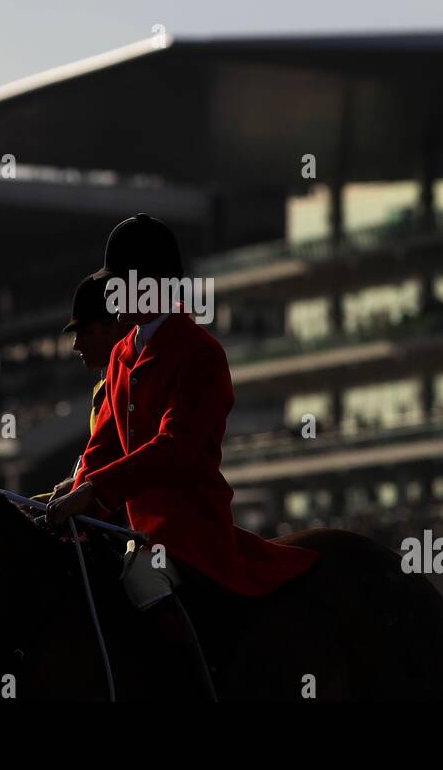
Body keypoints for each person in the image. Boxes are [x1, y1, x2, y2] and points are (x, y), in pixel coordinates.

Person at [47, 214, 320, 700]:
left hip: (190, 534)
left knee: (142, 584)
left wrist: (96, 489)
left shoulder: (200, 353)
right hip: (135, 533)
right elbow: (102, 447)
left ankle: (201, 692)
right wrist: (65, 491)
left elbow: (175, 449)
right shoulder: (121, 355)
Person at [30, 274, 130, 508]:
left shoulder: (132, 383)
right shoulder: (105, 385)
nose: (76, 345)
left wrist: (81, 489)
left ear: (112, 327)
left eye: (83, 332)